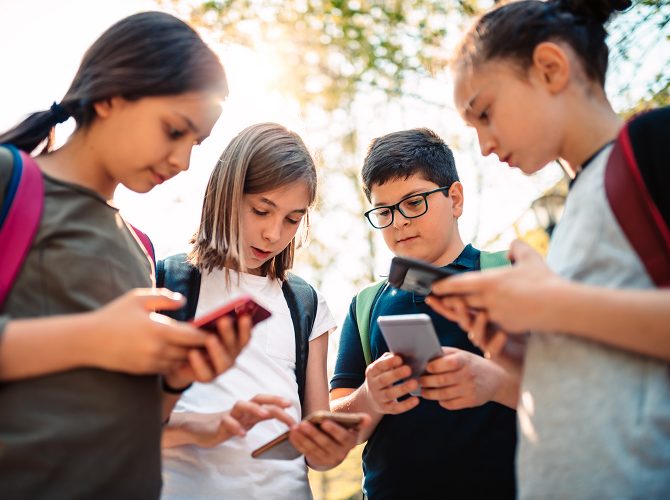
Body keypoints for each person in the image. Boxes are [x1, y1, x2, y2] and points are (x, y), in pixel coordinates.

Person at [0, 12, 250, 500]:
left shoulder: (141, 246)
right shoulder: (0, 179)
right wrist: (88, 338)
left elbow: (128, 415)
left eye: (196, 144)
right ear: (112, 96)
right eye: (173, 130)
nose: (183, 161)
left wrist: (173, 381)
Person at [426, 0, 670, 497]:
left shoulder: (653, 146)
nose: (485, 146)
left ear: (550, 68)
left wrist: (548, 303)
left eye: (486, 113)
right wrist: (521, 354)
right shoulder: (580, 201)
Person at [159, 122, 370, 499]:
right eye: (261, 210)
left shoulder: (305, 303)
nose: (274, 233)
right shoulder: (167, 283)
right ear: (226, 194)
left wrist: (329, 446)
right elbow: (123, 427)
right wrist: (199, 427)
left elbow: (317, 455)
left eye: (292, 219)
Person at [329, 128, 519, 499]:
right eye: (384, 211)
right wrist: (371, 397)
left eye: (414, 203)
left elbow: (566, 391)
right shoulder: (367, 304)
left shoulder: (509, 276)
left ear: (455, 199)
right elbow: (338, 419)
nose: (399, 222)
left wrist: (494, 382)